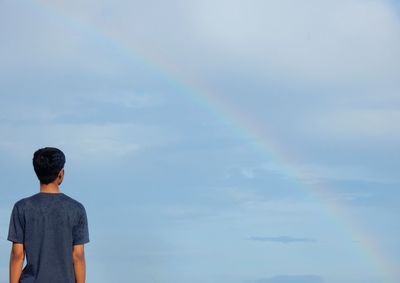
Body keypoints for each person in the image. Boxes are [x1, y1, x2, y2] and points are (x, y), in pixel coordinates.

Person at [7, 147, 90, 283]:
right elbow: (78, 256)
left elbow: (18, 254)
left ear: (37, 172)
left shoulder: (21, 207)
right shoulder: (77, 209)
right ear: (61, 174)